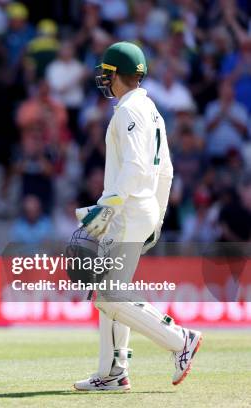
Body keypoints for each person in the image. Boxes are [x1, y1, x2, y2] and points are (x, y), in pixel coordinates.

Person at [73, 42, 202, 391]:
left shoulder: (128, 111)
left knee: (107, 295)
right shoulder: (151, 110)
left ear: (115, 74)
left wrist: (107, 207)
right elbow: (167, 172)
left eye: (106, 73)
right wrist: (156, 215)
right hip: (140, 207)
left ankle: (180, 339)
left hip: (126, 209)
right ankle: (113, 373)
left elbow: (134, 167)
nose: (104, 79)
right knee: (112, 294)